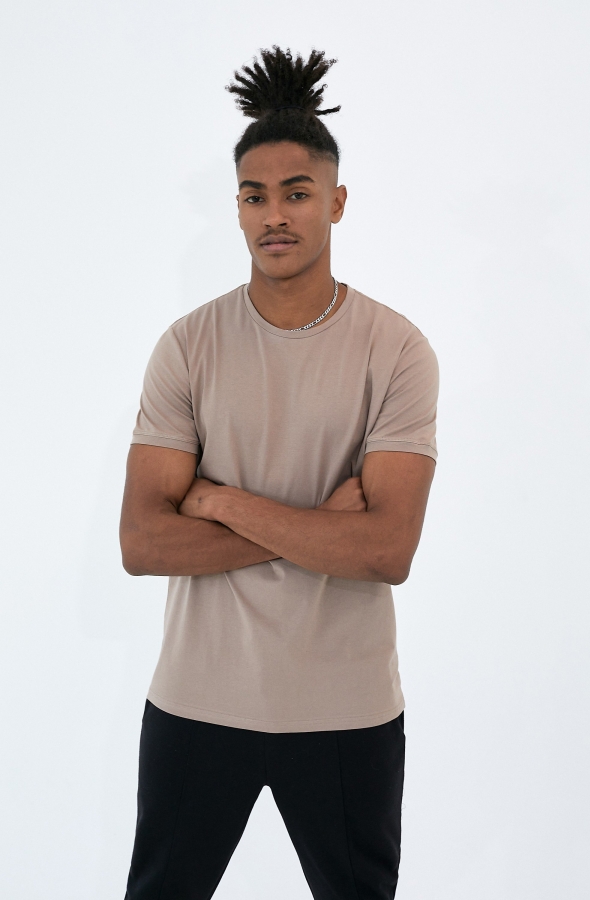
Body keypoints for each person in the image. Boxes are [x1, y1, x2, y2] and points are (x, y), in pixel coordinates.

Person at [120, 45, 438, 900]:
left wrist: (217, 500)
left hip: (346, 707)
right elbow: (144, 543)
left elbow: (386, 552)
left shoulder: (395, 350)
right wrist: (322, 529)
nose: (275, 215)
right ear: (236, 208)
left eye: (297, 193)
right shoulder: (188, 345)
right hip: (198, 698)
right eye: (254, 196)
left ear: (336, 201)